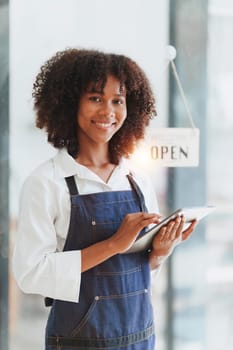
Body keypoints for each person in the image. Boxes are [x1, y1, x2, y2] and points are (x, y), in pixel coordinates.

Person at [13, 48, 197, 349]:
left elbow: (140, 269)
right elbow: (30, 274)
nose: (108, 112)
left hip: (141, 337)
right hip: (79, 341)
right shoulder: (46, 182)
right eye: (95, 98)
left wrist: (160, 250)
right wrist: (113, 244)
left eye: (118, 101)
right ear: (70, 103)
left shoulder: (137, 179)